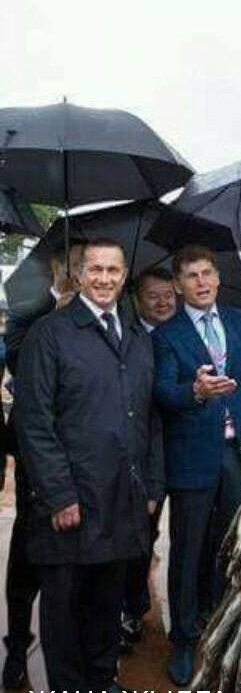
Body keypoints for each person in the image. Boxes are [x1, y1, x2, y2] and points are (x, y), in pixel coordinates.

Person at [13, 238, 164, 693]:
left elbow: (149, 416)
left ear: (124, 276)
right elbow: (33, 421)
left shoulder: (136, 337)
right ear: (78, 275)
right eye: (95, 269)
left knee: (105, 605)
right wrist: (59, 495)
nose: (104, 278)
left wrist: (151, 483)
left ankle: (103, 680)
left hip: (122, 500)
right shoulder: (50, 334)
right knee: (65, 612)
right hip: (71, 505)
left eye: (112, 270)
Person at [152, 244, 241, 686]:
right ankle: (184, 639)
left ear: (218, 277)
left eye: (207, 273)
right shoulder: (166, 335)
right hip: (192, 457)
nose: (202, 282)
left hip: (239, 455)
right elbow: (162, 392)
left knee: (232, 546)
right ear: (178, 284)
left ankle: (223, 627)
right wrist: (195, 391)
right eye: (192, 276)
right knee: (187, 551)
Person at [2, 239, 85, 690]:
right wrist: (58, 315)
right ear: (56, 266)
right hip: (35, 454)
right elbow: (18, 360)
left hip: (80, 452)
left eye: (84, 265)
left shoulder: (97, 317)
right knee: (27, 552)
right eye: (73, 264)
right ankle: (17, 645)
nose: (77, 272)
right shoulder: (28, 312)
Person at [120, 267, 176, 649]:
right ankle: (131, 608)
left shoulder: (185, 334)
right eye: (153, 295)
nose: (162, 302)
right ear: (137, 298)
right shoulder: (126, 337)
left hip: (182, 451)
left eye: (168, 295)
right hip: (140, 453)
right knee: (137, 535)